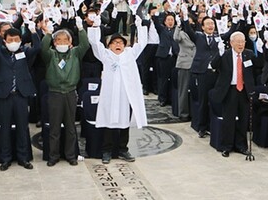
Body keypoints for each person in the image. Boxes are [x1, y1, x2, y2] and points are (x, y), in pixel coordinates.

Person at [87, 16, 148, 164]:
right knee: (109, 121)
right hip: (110, 95)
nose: (117, 45)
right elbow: (95, 43)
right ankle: (106, 150)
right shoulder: (106, 55)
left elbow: (142, 43)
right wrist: (95, 27)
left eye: (120, 42)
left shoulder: (130, 54)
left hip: (125, 95)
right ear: (109, 46)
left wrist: (140, 26)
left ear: (125, 45)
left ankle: (123, 149)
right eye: (114, 43)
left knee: (124, 122)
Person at [0, 26, 41, 171]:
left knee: (22, 127)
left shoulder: (24, 51)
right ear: (4, 41)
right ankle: (5, 158)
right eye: (10, 40)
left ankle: (23, 158)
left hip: (20, 95)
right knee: (4, 128)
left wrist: (33, 32)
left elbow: (37, 48)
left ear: (20, 40)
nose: (13, 42)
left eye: (16, 40)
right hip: (4, 95)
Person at [40, 23, 89, 167]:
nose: (62, 43)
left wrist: (80, 29)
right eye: (58, 40)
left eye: (65, 40)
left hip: (70, 92)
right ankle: (53, 155)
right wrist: (48, 34)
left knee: (70, 127)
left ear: (70, 42)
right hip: (55, 93)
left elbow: (85, 45)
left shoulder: (75, 53)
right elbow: (43, 48)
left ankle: (70, 155)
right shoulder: (51, 55)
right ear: (54, 43)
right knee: (54, 127)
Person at [210, 32, 256, 157]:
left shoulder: (249, 54)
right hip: (230, 90)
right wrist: (218, 54)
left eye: (243, 41)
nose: (241, 44)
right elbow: (213, 66)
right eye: (238, 42)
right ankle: (226, 146)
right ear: (231, 43)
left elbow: (259, 66)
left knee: (243, 119)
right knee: (228, 120)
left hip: (244, 90)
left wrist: (264, 46)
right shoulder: (225, 55)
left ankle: (241, 146)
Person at [153, 11, 179, 107]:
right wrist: (156, 12)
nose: (170, 22)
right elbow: (156, 22)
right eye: (168, 20)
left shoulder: (177, 31)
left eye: (172, 20)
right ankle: (162, 98)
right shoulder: (162, 29)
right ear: (164, 22)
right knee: (163, 79)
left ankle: (171, 98)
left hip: (174, 57)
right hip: (163, 57)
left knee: (173, 79)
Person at [173, 14, 196, 122]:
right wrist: (178, 26)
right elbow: (176, 38)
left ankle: (193, 112)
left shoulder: (197, 34)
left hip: (195, 64)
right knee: (183, 89)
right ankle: (183, 113)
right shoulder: (181, 33)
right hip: (184, 63)